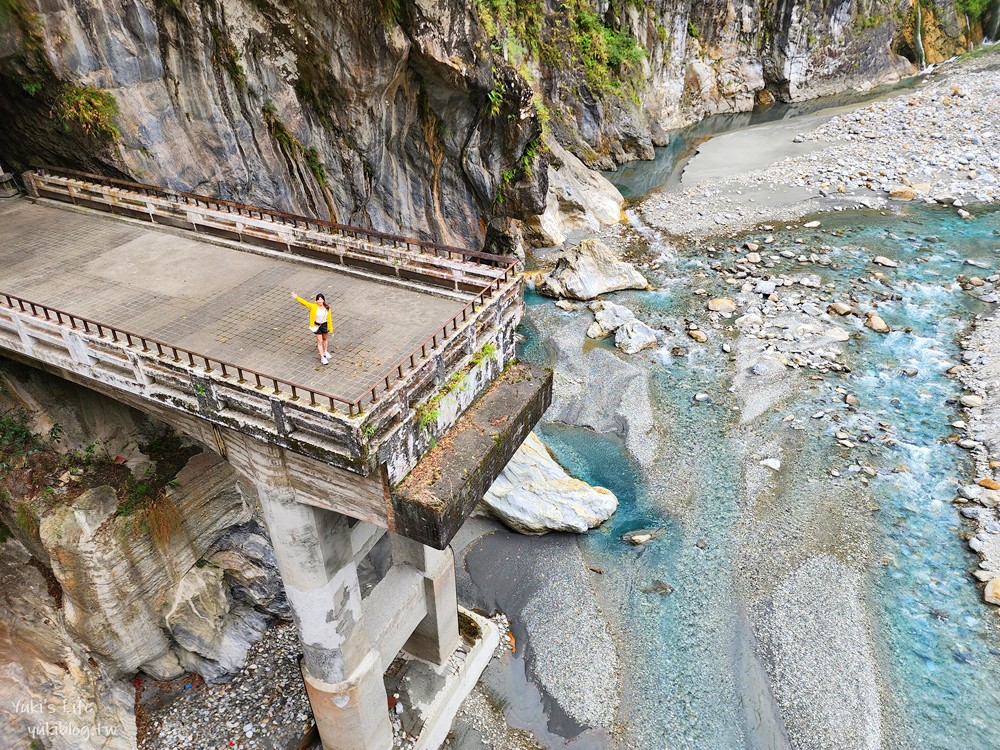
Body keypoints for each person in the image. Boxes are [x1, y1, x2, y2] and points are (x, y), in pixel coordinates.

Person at [292, 291, 334, 365]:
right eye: (319, 299)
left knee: (325, 338)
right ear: (316, 301)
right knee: (320, 341)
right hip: (316, 326)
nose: (320, 301)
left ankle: (325, 351)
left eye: (321, 299)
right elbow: (305, 303)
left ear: (323, 300)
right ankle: (322, 357)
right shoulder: (313, 306)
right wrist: (297, 297)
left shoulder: (327, 308)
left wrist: (330, 328)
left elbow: (329, 319)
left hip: (324, 325)